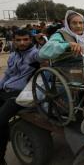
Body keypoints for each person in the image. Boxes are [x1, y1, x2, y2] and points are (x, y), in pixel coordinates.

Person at [0, 29, 41, 165]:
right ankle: (8, 131)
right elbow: (7, 74)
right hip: (6, 89)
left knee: (0, 121)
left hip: (20, 94)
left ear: (30, 39)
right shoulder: (13, 55)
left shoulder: (35, 54)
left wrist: (43, 44)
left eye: (25, 39)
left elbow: (46, 57)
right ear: (14, 41)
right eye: (18, 40)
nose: (22, 43)